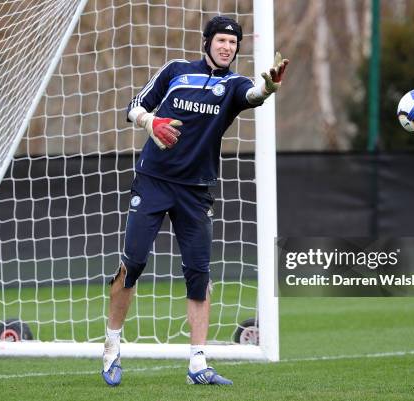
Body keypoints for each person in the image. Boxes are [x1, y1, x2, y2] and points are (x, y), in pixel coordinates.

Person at [102, 15, 288, 386]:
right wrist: (150, 122)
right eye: (221, 41)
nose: (227, 48)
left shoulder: (234, 85)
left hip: (196, 191)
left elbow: (253, 96)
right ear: (207, 43)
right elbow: (134, 106)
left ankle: (197, 363)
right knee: (133, 263)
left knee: (199, 276)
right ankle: (111, 346)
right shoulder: (175, 72)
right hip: (153, 182)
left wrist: (267, 89)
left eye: (233, 43)